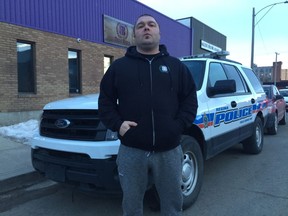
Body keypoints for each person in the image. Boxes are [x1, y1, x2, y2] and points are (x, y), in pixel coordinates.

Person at [98, 14, 198, 216]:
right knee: (132, 207)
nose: (146, 28)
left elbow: (189, 100)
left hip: (169, 150)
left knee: (172, 205)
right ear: (134, 34)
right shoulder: (119, 67)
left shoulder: (176, 67)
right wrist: (118, 125)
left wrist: (177, 126)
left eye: (151, 25)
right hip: (132, 150)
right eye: (141, 26)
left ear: (159, 33)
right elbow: (105, 101)